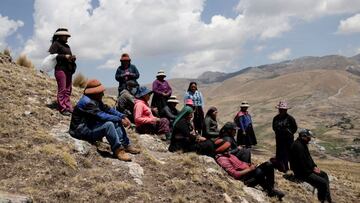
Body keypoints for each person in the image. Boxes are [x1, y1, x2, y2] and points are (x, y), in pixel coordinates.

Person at [69, 79, 140, 162]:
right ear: (95, 93)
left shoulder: (95, 99)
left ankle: (126, 145)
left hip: (89, 126)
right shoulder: (87, 103)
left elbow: (108, 109)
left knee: (115, 121)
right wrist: (120, 119)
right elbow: (102, 116)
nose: (102, 94)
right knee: (109, 125)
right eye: (100, 92)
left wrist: (122, 116)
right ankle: (118, 150)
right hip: (80, 131)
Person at [215, 140, 285, 200]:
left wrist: (249, 165)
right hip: (245, 179)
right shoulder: (222, 159)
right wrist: (250, 169)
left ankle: (270, 189)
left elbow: (240, 163)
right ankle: (271, 191)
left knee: (268, 164)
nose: (230, 148)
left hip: (249, 173)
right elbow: (235, 174)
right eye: (228, 147)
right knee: (263, 169)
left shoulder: (228, 155)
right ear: (224, 149)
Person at [290, 129, 332, 203]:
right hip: (302, 173)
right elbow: (301, 164)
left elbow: (309, 158)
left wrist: (314, 166)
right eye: (309, 138)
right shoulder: (298, 146)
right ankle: (322, 200)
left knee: (324, 175)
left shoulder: (303, 144)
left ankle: (328, 199)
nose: (310, 139)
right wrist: (312, 170)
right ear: (304, 136)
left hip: (307, 170)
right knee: (323, 183)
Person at [48, 28, 77, 116]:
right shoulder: (56, 44)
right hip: (60, 69)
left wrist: (72, 58)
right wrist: (65, 56)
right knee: (62, 89)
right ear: (60, 36)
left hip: (68, 69)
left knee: (68, 89)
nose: (67, 38)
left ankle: (68, 107)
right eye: (65, 36)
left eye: (67, 36)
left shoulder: (67, 46)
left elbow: (68, 56)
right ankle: (62, 108)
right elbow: (52, 56)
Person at [272, 101, 298, 172]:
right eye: (280, 109)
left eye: (283, 109)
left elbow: (294, 128)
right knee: (280, 152)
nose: (281, 110)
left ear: (286, 110)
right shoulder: (276, 118)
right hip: (279, 138)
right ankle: (282, 167)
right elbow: (274, 127)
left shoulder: (290, 118)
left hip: (288, 139)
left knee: (289, 152)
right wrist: (279, 132)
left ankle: (292, 168)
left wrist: (289, 133)